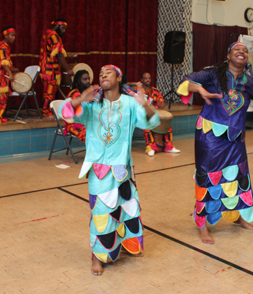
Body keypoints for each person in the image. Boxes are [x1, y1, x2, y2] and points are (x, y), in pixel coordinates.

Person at [58, 65, 159, 276]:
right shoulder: (92, 104)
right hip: (99, 169)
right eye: (101, 73)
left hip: (123, 167)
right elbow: (64, 113)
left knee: (127, 208)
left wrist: (145, 104)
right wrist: (80, 99)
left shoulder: (130, 103)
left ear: (119, 77)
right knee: (101, 212)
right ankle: (97, 256)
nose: (103, 75)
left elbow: (153, 122)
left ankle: (127, 245)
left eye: (108, 72)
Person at [177, 42, 253, 244]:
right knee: (207, 178)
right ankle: (202, 225)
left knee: (237, 177)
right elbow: (186, 81)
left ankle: (237, 217)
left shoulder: (250, 82)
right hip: (209, 136)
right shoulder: (213, 74)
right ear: (228, 55)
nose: (242, 52)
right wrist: (200, 90)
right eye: (237, 50)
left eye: (245, 50)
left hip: (235, 139)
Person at [39, 18, 74, 117]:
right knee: (49, 92)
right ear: (56, 26)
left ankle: (47, 110)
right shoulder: (55, 36)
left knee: (48, 91)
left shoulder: (48, 34)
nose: (63, 31)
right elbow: (59, 55)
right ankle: (46, 112)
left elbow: (52, 51)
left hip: (45, 67)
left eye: (65, 29)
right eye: (62, 28)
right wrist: (68, 69)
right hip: (51, 70)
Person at [139, 72, 180, 156]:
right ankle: (150, 147)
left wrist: (160, 104)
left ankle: (169, 146)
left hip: (153, 114)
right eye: (146, 78)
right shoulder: (138, 90)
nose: (148, 80)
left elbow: (162, 104)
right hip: (141, 113)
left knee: (166, 123)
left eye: (149, 78)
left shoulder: (155, 91)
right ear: (142, 80)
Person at [64, 70, 90, 142]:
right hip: (73, 124)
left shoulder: (87, 93)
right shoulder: (75, 94)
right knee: (90, 134)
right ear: (78, 81)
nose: (88, 81)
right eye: (85, 79)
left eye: (88, 79)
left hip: (84, 122)